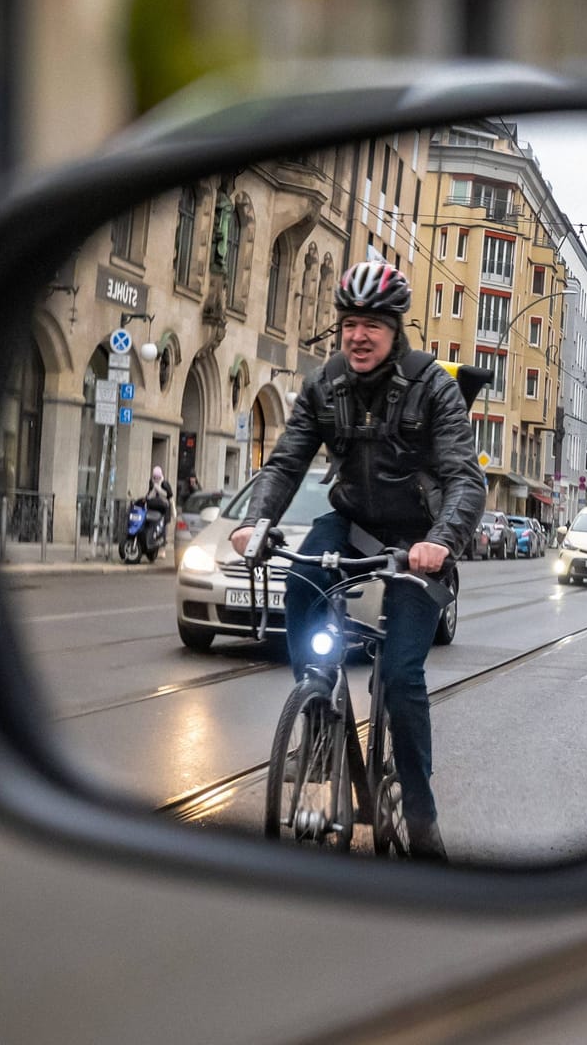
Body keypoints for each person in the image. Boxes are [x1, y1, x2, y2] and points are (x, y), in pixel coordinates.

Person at [230, 261, 482, 861]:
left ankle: (421, 818)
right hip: (352, 525)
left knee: (398, 676)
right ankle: (318, 706)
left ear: (396, 330)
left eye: (371, 324)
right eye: (348, 324)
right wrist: (255, 522)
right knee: (298, 578)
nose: (357, 336)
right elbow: (286, 461)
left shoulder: (433, 387)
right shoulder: (325, 385)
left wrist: (441, 541)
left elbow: (464, 479)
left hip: (418, 541)